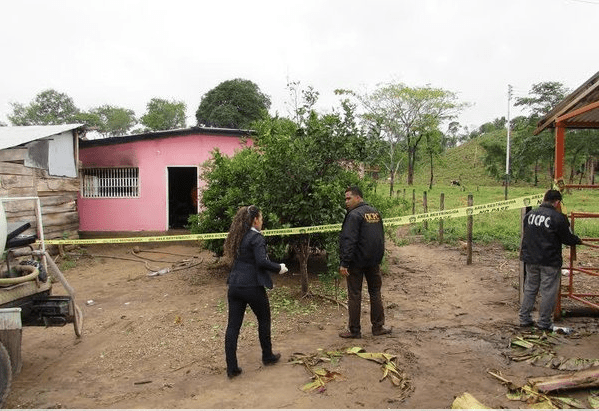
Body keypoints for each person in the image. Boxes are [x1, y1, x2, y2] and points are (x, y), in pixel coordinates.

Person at [223, 205, 288, 378]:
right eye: (261, 217)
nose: (262, 220)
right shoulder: (256, 237)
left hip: (235, 286)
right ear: (255, 220)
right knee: (264, 319)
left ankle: (232, 368)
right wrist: (279, 267)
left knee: (233, 326)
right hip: (252, 286)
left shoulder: (238, 236)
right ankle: (268, 356)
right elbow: (261, 262)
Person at [519, 189, 582, 331]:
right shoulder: (558, 218)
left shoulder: (529, 215)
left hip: (531, 258)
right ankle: (544, 322)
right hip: (549, 260)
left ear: (544, 199)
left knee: (530, 288)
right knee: (548, 291)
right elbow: (567, 239)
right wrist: (578, 240)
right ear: (557, 202)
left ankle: (524, 318)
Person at [338, 186, 391, 338]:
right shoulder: (375, 212)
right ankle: (378, 327)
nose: (346, 202)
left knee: (355, 294)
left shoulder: (354, 215)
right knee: (375, 293)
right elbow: (380, 238)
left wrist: (344, 263)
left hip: (356, 263)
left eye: (349, 198)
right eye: (345, 198)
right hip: (373, 261)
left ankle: (354, 331)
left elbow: (349, 240)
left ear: (358, 198)